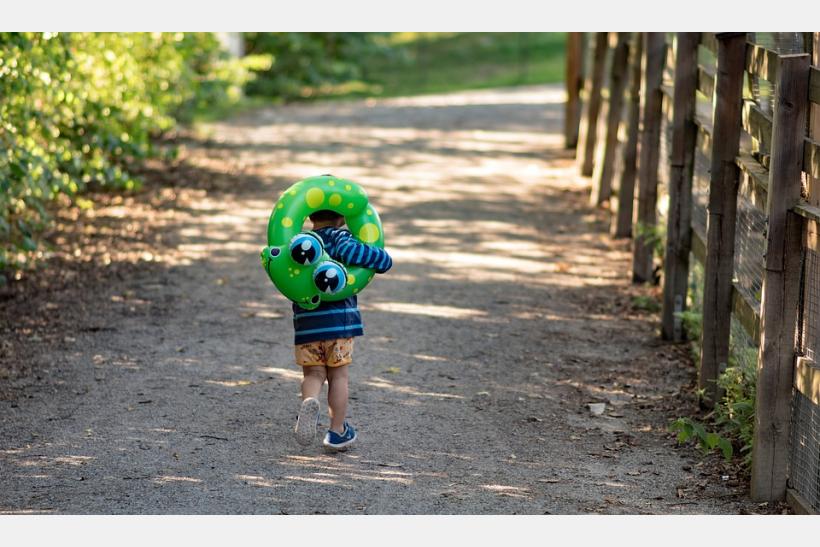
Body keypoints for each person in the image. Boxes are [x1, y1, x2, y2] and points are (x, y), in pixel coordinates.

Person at [292, 209, 392, 450]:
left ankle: (310, 401)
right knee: (338, 377)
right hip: (339, 323)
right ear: (343, 217)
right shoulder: (341, 238)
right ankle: (337, 432)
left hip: (307, 323)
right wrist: (383, 255)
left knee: (313, 374)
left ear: (309, 216)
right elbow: (381, 262)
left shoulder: (300, 243)